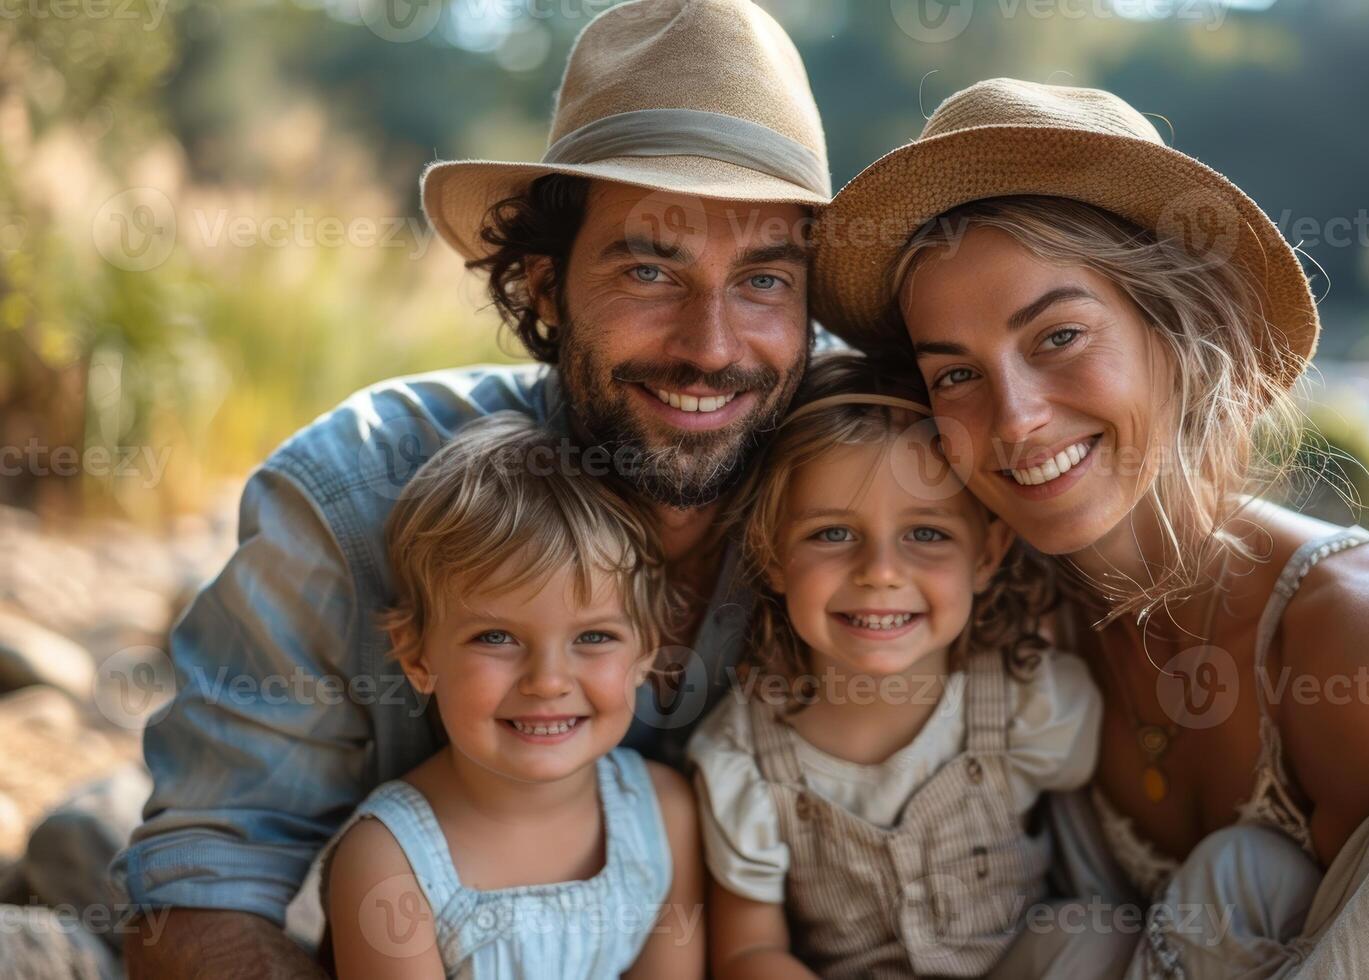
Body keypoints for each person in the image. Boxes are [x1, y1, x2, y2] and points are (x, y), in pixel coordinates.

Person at [813, 77, 1369, 978]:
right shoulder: (983, 616)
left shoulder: (1367, 638)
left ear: (1175, 331)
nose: (1015, 417)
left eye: (1057, 337)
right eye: (955, 375)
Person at [115, 2, 830, 974]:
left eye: (764, 280)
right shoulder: (351, 499)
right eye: (650, 268)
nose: (710, 346)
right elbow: (198, 895)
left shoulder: (874, 483)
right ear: (542, 284)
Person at [688, 352, 1106, 979]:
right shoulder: (741, 759)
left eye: (927, 534)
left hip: (1017, 966)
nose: (880, 572)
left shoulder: (1030, 702)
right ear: (771, 553)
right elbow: (750, 952)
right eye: (831, 534)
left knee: (1093, 935)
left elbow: (1104, 862)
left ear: (987, 554)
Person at [324, 413, 703, 979]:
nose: (548, 681)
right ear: (418, 656)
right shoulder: (389, 862)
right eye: (496, 638)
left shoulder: (664, 815)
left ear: (648, 649)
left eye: (594, 637)